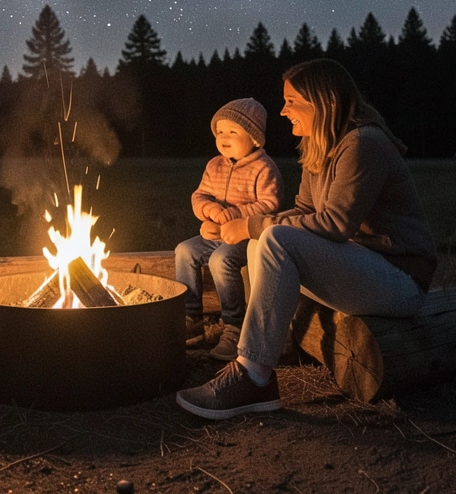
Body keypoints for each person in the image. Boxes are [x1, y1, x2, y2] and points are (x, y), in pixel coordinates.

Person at [176, 59, 436, 420]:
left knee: (271, 238)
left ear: (321, 101)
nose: (283, 111)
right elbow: (302, 210)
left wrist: (253, 225)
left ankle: (252, 374)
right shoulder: (321, 146)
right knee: (262, 242)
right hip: (360, 267)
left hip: (400, 280)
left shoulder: (363, 144)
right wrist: (250, 227)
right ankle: (268, 351)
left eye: (291, 101)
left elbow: (334, 224)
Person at [174, 98, 283, 360]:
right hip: (216, 232)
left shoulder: (264, 168)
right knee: (184, 250)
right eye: (220, 131)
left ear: (255, 139)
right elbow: (199, 196)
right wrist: (212, 214)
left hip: (247, 236)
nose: (224, 137)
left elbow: (270, 204)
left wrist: (232, 216)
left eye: (233, 132)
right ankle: (192, 319)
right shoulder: (215, 165)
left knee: (221, 259)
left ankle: (234, 327)